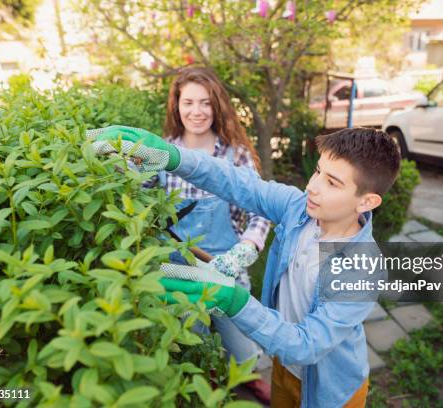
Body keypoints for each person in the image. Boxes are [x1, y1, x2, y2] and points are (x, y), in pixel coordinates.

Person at [93, 126, 400, 406]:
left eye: (332, 183)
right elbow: (239, 184)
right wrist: (173, 157)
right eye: (318, 171)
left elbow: (306, 345)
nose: (312, 187)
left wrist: (234, 300)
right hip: (283, 367)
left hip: (331, 390)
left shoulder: (362, 268)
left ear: (366, 202)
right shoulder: (299, 210)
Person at [155, 66, 272, 402]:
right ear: (176, 105)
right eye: (188, 102)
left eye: (205, 103)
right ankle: (208, 389)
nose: (197, 111)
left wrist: (247, 248)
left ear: (217, 106)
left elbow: (260, 210)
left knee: (243, 349)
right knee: (194, 347)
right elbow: (141, 205)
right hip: (182, 274)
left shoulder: (235, 155)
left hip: (228, 270)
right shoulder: (163, 153)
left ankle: (245, 381)